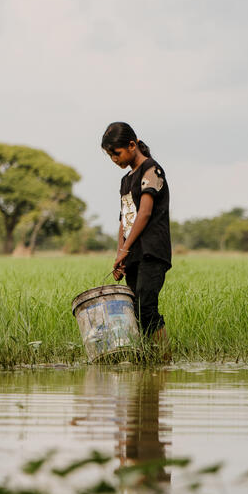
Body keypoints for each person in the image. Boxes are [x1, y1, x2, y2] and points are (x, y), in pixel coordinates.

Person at [102, 122, 172, 349]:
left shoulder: (152, 170)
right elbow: (124, 220)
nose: (114, 160)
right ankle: (147, 359)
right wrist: (120, 256)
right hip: (133, 254)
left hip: (152, 251)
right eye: (110, 156)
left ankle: (163, 360)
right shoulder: (126, 181)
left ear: (132, 145)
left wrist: (125, 249)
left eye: (117, 153)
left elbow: (144, 213)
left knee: (146, 308)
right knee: (134, 309)